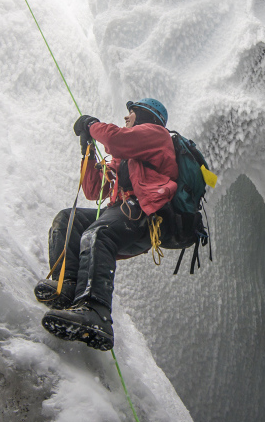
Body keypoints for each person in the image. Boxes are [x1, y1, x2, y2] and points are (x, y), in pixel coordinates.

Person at [35, 97, 177, 350]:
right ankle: (66, 285)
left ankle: (95, 312)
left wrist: (92, 125)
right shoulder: (129, 158)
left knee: (98, 232)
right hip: (123, 211)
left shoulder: (157, 135)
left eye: (131, 113)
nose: (126, 118)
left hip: (142, 215)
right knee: (69, 219)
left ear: (146, 116)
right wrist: (87, 152)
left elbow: (115, 140)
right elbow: (93, 190)